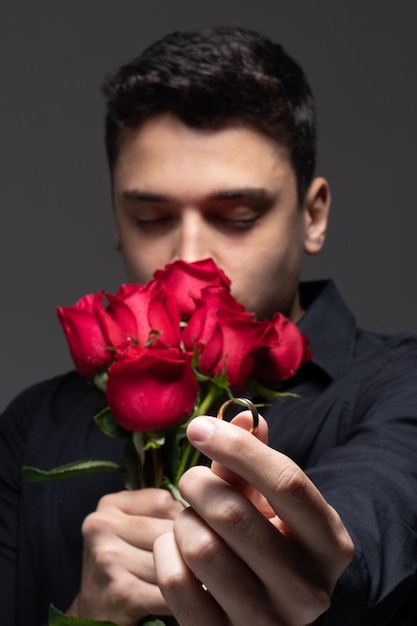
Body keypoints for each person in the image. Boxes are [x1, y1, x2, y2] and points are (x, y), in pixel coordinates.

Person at [1, 26, 417, 626]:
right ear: (116, 219)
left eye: (239, 217)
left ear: (313, 215)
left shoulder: (400, 387)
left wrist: (302, 559)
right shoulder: (33, 429)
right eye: (151, 217)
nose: (189, 254)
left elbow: (378, 506)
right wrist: (86, 616)